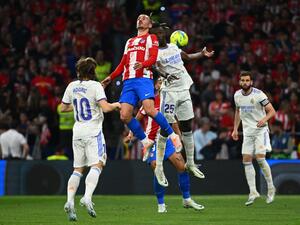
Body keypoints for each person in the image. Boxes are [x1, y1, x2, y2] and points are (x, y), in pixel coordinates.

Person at [101, 14, 182, 187]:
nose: (140, 19)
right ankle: (145, 141)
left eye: (144, 18)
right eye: (138, 18)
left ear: (150, 24)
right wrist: (110, 77)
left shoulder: (151, 38)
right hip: (128, 81)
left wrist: (143, 64)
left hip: (144, 79)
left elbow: (153, 58)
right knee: (124, 116)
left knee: (150, 110)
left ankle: (173, 135)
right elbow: (123, 62)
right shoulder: (129, 41)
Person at [125, 78, 204, 213]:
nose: (163, 84)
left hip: (167, 140)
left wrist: (178, 138)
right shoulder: (149, 102)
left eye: (165, 82)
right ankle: (161, 204)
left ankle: (187, 199)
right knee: (156, 167)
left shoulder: (171, 101)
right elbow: (136, 119)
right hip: (152, 140)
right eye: (160, 82)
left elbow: (174, 122)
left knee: (181, 166)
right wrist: (130, 134)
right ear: (156, 85)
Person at [150, 23, 213, 180]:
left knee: (187, 127)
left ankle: (191, 163)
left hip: (184, 89)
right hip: (169, 93)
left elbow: (187, 57)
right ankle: (158, 165)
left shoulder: (173, 47)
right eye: (155, 34)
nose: (158, 36)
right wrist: (164, 76)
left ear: (165, 34)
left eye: (160, 33)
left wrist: (201, 53)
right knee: (166, 128)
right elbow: (153, 67)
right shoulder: (155, 52)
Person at [61, 57, 120, 221]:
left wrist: (79, 102)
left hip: (77, 131)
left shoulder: (72, 86)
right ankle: (87, 197)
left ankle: (70, 202)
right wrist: (117, 104)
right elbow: (106, 108)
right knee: (97, 164)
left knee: (77, 169)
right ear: (93, 72)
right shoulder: (95, 86)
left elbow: (62, 107)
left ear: (79, 71)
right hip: (93, 132)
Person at [231, 71, 276, 206]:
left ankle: (271, 188)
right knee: (246, 160)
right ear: (240, 82)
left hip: (260, 131)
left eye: (247, 80)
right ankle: (253, 192)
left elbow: (272, 111)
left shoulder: (259, 94)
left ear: (251, 82)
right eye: (242, 80)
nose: (245, 82)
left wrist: (264, 120)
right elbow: (238, 112)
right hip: (247, 131)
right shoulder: (237, 95)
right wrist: (235, 129)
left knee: (261, 159)